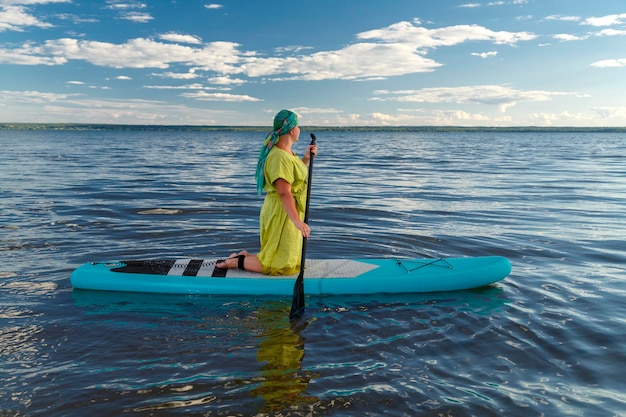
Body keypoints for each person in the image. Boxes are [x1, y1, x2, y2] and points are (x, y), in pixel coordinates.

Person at [216, 109, 318, 275]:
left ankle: (244, 256)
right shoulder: (279, 157)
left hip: (287, 210)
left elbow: (294, 178)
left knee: (284, 257)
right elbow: (285, 192)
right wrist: (297, 222)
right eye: (298, 126)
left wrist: (306, 158)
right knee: (277, 265)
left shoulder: (288, 154)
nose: (300, 129)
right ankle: (235, 262)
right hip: (281, 212)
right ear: (292, 130)